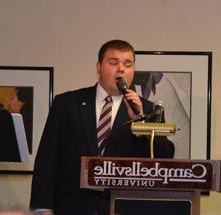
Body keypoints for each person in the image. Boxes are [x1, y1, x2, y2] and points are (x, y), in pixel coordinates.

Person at [30, 39, 175, 215]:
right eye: (113, 62)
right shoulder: (67, 103)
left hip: (122, 208)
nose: (121, 69)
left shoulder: (148, 110)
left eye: (127, 64)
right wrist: (42, 207)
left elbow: (163, 158)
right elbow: (47, 158)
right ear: (98, 67)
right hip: (71, 207)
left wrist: (141, 122)